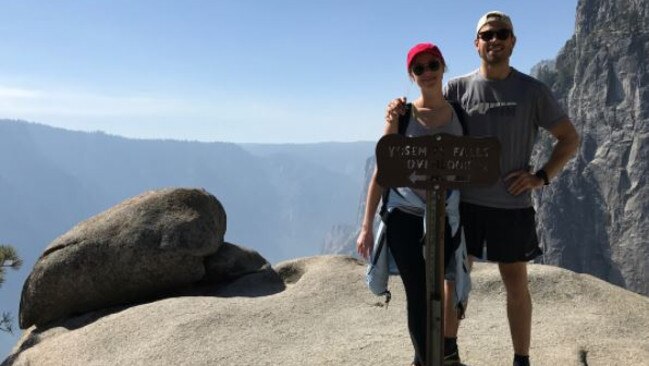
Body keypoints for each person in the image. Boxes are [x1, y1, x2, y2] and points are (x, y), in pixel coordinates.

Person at [386, 10, 580, 366]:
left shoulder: (533, 91)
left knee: (516, 284)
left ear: (512, 41)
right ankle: (448, 351)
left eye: (501, 33)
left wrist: (542, 177)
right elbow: (429, 110)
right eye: (487, 35)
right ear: (476, 44)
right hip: (465, 205)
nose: (495, 40)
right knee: (454, 279)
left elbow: (569, 139)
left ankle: (521, 358)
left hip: (512, 205)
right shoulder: (458, 88)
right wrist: (398, 110)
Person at [356, 42, 467, 366]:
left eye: (432, 65)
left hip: (445, 215)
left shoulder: (459, 112)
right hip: (405, 217)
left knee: (441, 286)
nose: (427, 73)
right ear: (411, 75)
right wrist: (366, 226)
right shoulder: (402, 115)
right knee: (417, 294)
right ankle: (424, 360)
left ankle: (431, 358)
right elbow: (382, 171)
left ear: (443, 66)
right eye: (419, 69)